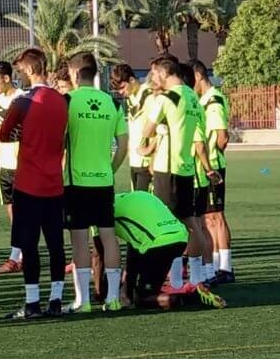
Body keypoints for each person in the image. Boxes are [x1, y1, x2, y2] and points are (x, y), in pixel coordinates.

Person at [137, 55, 221, 293]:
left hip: (168, 168)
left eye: (153, 73)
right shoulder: (193, 97)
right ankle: (196, 279)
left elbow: (146, 130)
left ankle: (174, 281)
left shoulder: (167, 98)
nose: (151, 78)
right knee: (191, 223)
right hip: (185, 168)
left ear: (163, 73)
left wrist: (158, 127)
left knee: (169, 225)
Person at [0, 49, 69, 320]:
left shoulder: (23, 102)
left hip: (28, 184)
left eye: (20, 71)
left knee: (28, 245)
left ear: (29, 70)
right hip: (54, 184)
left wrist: (22, 131)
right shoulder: (62, 100)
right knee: (55, 245)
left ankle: (31, 304)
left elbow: (5, 134)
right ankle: (55, 300)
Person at [62, 52, 128, 313]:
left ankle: (83, 301)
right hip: (104, 181)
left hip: (76, 181)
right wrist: (110, 169)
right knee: (109, 237)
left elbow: (59, 141)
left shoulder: (68, 100)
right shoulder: (112, 103)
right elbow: (123, 146)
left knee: (79, 240)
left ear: (76, 74)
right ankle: (112, 298)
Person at [114, 191, 226, 310]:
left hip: (159, 244)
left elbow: (100, 255)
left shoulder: (105, 212)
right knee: (150, 291)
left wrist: (114, 292)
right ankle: (190, 293)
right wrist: (127, 288)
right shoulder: (128, 197)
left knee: (142, 299)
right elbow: (134, 249)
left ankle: (194, 297)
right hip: (179, 237)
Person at [192, 60, 234, 284]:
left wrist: (214, 158)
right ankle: (217, 265)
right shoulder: (204, 100)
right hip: (206, 166)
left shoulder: (213, 101)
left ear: (198, 77)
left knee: (216, 217)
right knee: (209, 218)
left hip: (213, 165)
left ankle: (226, 267)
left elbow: (222, 136)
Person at [0, 61, 25, 274]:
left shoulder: (21, 98)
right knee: (11, 211)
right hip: (4, 163)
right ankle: (19, 255)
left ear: (7, 78)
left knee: (22, 212)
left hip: (21, 164)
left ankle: (16, 257)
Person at [111, 63, 155, 193]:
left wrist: (152, 153)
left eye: (123, 87)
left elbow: (160, 128)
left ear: (131, 80)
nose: (121, 92)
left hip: (147, 163)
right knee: (136, 205)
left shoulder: (149, 94)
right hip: (134, 161)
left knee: (146, 208)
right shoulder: (130, 99)